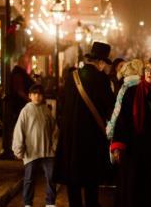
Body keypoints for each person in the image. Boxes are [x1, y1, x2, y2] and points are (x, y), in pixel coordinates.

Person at [53, 41, 115, 207]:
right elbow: (111, 106)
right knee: (90, 180)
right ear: (101, 62)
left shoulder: (72, 77)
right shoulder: (101, 79)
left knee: (73, 180)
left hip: (71, 135)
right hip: (91, 137)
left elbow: (62, 103)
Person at [111, 56, 151, 207]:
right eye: (147, 69)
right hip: (135, 150)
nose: (149, 73)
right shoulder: (133, 92)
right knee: (134, 191)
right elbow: (123, 120)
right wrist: (118, 145)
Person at [13, 84, 58, 207]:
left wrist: (54, 145)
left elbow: (54, 129)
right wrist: (18, 149)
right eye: (34, 94)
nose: (37, 96)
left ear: (42, 96)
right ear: (30, 96)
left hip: (47, 150)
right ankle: (27, 203)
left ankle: (50, 202)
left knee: (51, 177)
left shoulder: (46, 110)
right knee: (29, 179)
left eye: (39, 94)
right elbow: (19, 130)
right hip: (31, 151)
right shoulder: (26, 111)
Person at [1, 55, 34, 159]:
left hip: (20, 105)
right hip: (19, 105)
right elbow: (19, 90)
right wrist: (30, 100)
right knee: (20, 128)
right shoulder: (18, 73)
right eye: (28, 60)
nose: (29, 63)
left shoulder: (19, 73)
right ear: (23, 62)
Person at [107, 58, 144, 141]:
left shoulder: (125, 87)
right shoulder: (142, 87)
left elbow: (117, 110)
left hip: (124, 131)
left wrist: (110, 130)